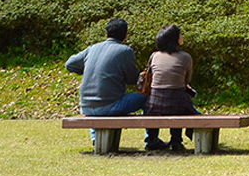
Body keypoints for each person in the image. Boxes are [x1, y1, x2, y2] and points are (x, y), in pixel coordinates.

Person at [65, 17, 163, 150]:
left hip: (86, 106)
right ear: (125, 35)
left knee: (100, 106)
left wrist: (89, 70)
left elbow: (69, 64)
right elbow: (132, 80)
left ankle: (95, 138)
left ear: (106, 34)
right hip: (109, 106)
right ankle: (151, 140)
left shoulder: (92, 48)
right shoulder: (125, 51)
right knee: (148, 96)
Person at [143, 23, 199, 153]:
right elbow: (187, 81)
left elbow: (150, 75)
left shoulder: (154, 56)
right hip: (178, 102)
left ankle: (151, 140)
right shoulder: (185, 57)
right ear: (174, 39)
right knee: (181, 105)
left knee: (149, 107)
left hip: (155, 103)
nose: (182, 36)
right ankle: (176, 140)